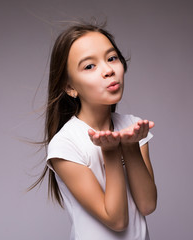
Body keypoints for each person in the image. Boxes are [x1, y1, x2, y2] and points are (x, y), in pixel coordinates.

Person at [31, 22, 157, 240]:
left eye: (111, 58)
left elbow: (147, 205)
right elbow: (117, 220)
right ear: (70, 87)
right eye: (89, 66)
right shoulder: (66, 143)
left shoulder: (133, 127)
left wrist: (130, 146)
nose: (108, 70)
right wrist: (110, 153)